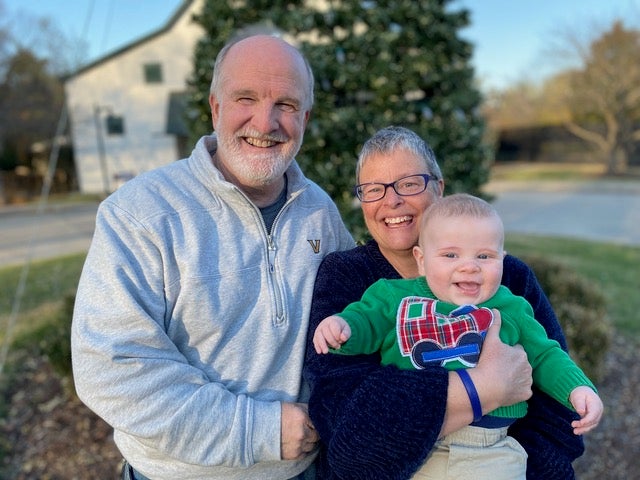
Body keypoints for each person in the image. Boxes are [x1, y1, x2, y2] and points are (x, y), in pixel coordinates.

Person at [71, 33, 355, 480]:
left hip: (304, 470)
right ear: (215, 107)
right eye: (246, 98)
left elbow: (356, 314)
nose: (265, 123)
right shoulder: (140, 213)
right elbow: (112, 367)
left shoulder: (317, 210)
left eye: (285, 104)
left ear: (305, 117)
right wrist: (258, 430)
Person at [303, 126, 587, 480]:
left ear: (439, 188)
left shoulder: (506, 278)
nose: (392, 201)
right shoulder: (347, 278)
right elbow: (351, 444)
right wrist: (485, 386)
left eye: (409, 183)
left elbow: (558, 421)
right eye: (373, 190)